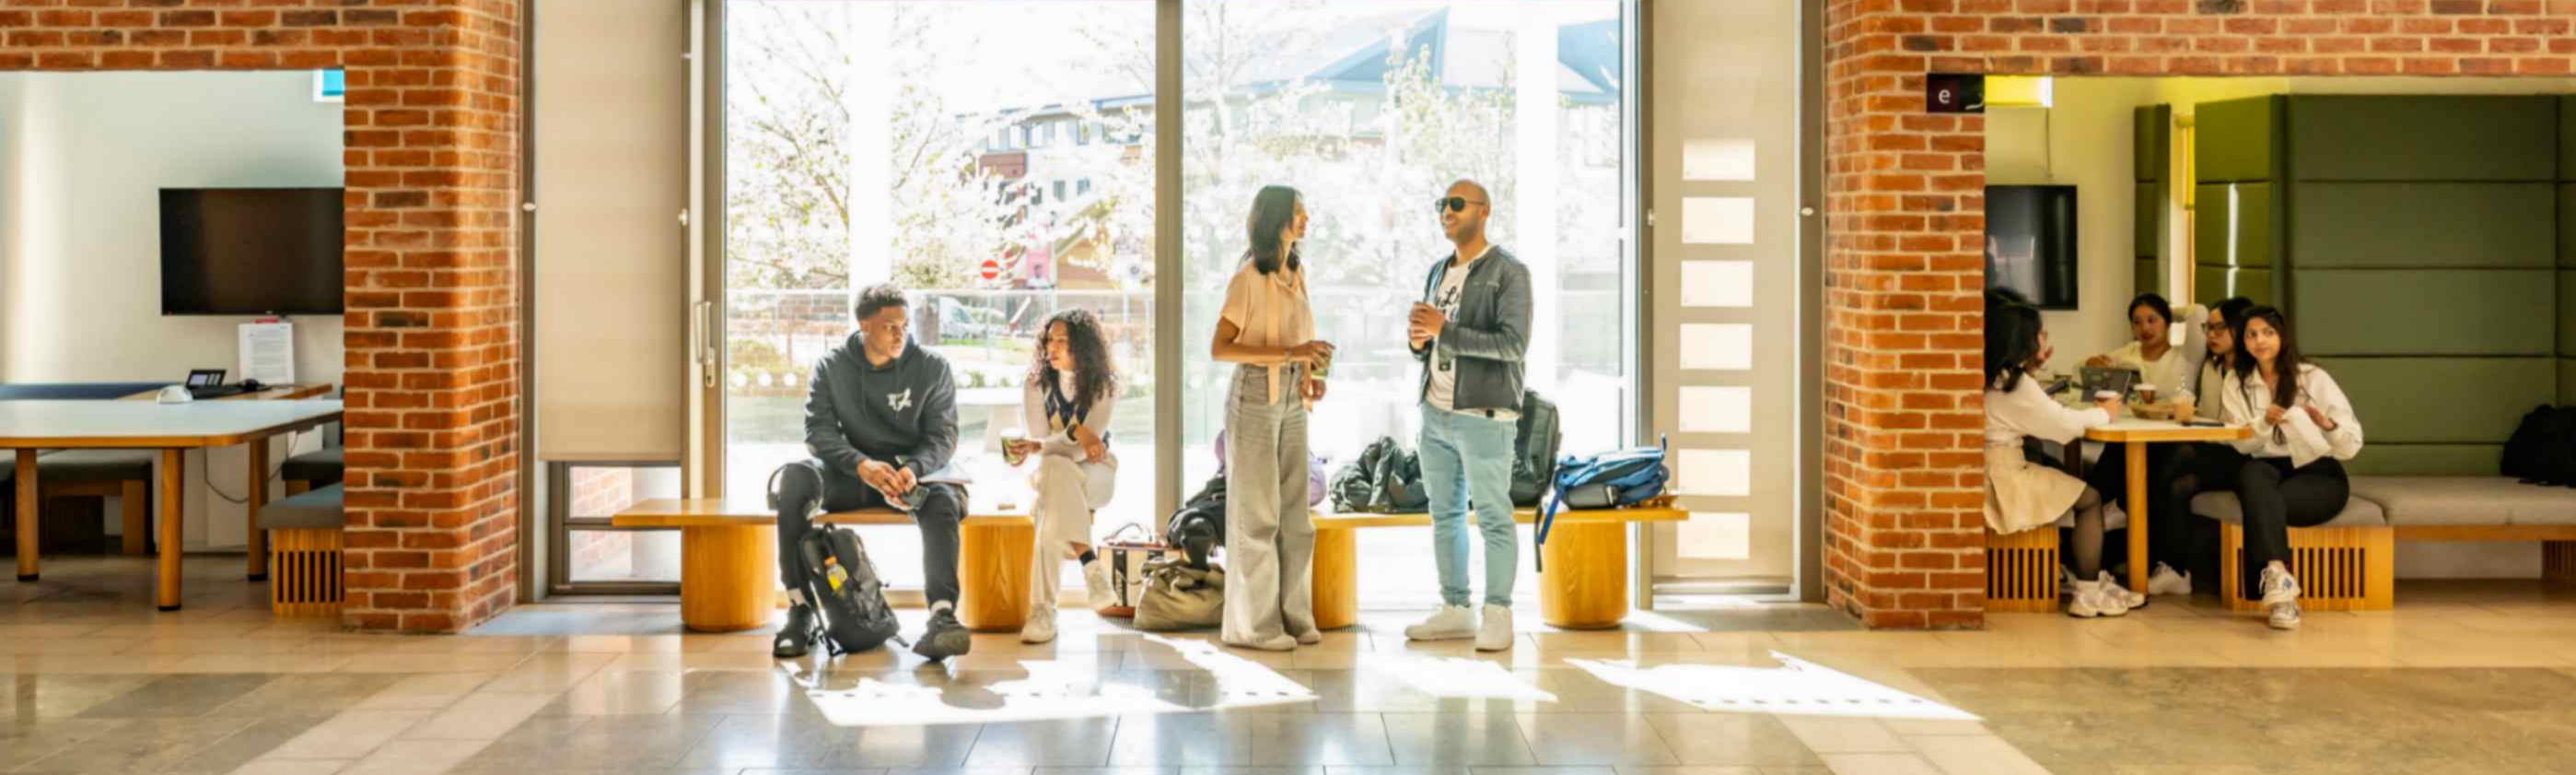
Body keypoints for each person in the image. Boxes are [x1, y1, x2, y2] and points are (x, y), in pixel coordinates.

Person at [771, 284, 971, 662]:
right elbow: (818, 432)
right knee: (796, 477)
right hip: (854, 473)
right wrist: (860, 463)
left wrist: (913, 468)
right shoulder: (832, 367)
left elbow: (943, 437)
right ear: (864, 325)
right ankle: (800, 610)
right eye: (889, 326)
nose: (900, 334)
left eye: (905, 325)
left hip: (910, 476)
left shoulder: (932, 367)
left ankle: (942, 616)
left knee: (943, 499)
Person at [1401, 180, 1532, 652]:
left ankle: (1498, 614)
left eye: (1456, 204)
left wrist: (1445, 331)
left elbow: (1512, 346)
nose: (1446, 212)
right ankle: (1456, 609)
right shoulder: (1439, 271)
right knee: (1446, 515)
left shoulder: (1509, 272)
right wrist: (1419, 341)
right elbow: (1431, 340)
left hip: (1484, 414)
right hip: (1435, 413)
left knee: (1494, 515)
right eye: (1442, 205)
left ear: (1484, 211)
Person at [1210, 184, 1333, 652]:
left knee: (1296, 514)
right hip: (1255, 393)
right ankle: (1255, 627)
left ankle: (1294, 617)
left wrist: (1310, 373)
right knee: (1256, 516)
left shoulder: (1296, 272)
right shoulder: (1249, 277)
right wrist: (1289, 354)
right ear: (1276, 219)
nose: (1305, 221)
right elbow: (1221, 347)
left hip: (1291, 397)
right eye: (1298, 214)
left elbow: (1305, 339)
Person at [1985, 299, 2132, 618]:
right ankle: (2088, 591)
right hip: (2004, 478)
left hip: (1986, 470)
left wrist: (2032, 371)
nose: (2044, 340)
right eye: (2041, 334)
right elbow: (2064, 427)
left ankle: (2073, 570)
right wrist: (2104, 414)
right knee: (2089, 500)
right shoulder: (2017, 385)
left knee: (2060, 475)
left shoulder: (1991, 375)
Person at [2220, 306, 2364, 630]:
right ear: (2242, 342)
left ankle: (2277, 584)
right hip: (2266, 465)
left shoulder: (2313, 377)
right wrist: (2262, 423)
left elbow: (2351, 446)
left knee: (2262, 502)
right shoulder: (2236, 381)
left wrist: (2327, 425)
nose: (2260, 340)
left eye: (2268, 332)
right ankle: (2281, 587)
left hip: (2319, 471)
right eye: (2251, 334)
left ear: (2282, 337)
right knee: (2253, 476)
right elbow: (2239, 442)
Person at [1004, 309, 1123, 644]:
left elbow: (1085, 451)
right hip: (1051, 471)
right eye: (1048, 340)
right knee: (1052, 489)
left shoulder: (1104, 385)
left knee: (1050, 501)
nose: (1051, 348)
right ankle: (1090, 564)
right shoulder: (1035, 384)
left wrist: (1066, 439)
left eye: (1062, 341)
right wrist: (1077, 432)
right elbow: (1048, 444)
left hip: (1096, 474)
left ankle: (1043, 610)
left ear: (1083, 347)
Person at [2141, 296, 2255, 596]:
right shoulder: (2212, 366)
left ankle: (2129, 506)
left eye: (2219, 328)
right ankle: (2176, 571)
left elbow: (2246, 431)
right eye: (2208, 328)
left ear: (2239, 328)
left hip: (2246, 456)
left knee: (2174, 456)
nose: (2210, 335)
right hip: (2213, 450)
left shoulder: (2252, 372)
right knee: (2179, 485)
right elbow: (2207, 415)